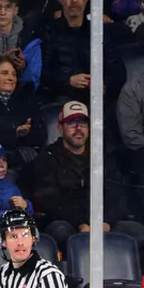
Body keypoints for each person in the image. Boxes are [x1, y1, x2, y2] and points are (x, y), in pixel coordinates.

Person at [29, 100, 90, 243]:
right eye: (72, 123)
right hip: (66, 221)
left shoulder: (101, 156)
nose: (78, 128)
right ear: (60, 128)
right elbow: (50, 201)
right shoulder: (47, 158)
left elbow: (115, 194)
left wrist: (107, 222)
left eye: (83, 123)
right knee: (61, 230)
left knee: (132, 230)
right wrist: (80, 223)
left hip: (99, 221)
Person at [40, 0, 95, 105]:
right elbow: (42, 73)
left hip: (96, 99)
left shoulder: (99, 32)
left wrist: (103, 84)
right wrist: (68, 80)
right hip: (61, 99)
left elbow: (117, 71)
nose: (74, 0)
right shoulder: (48, 32)